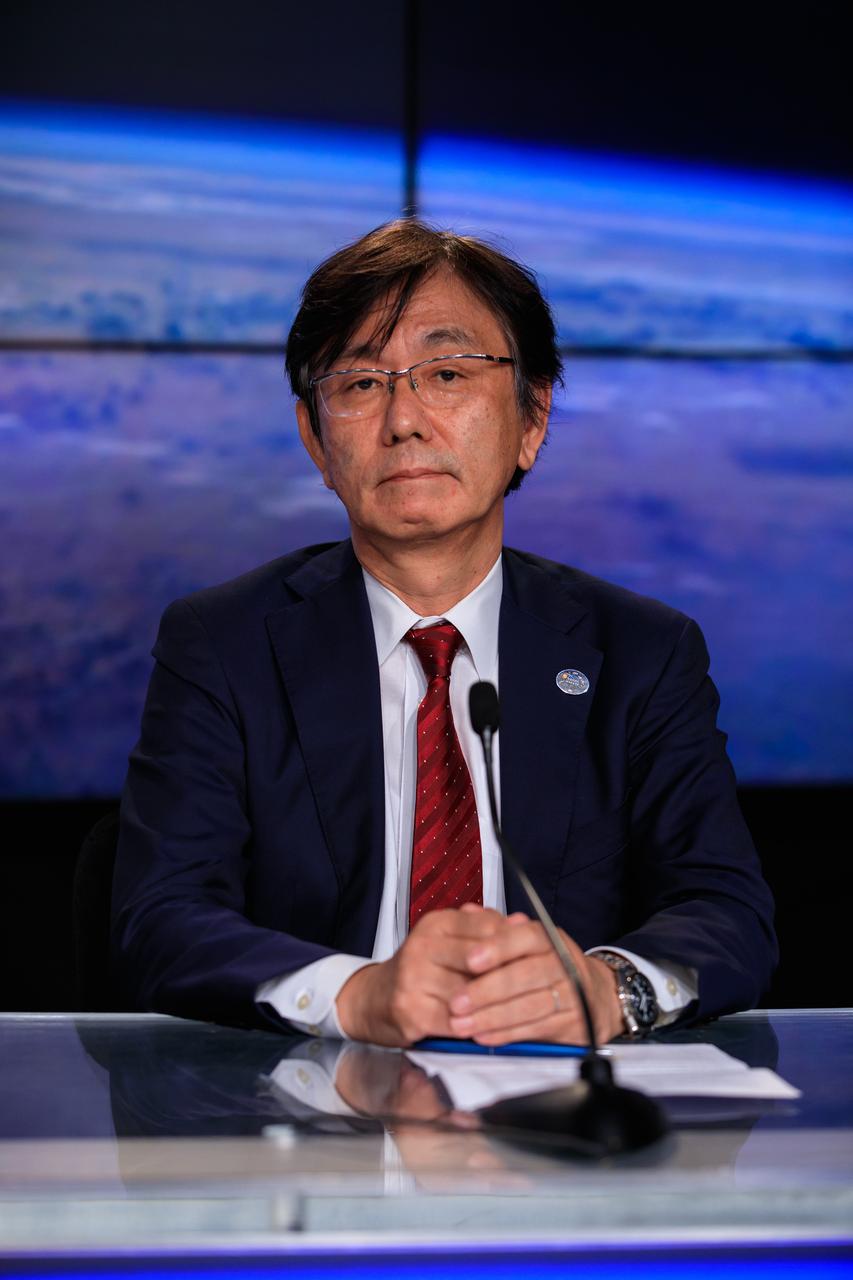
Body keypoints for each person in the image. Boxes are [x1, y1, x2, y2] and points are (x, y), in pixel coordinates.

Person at [112, 220, 777, 1047]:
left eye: (447, 373)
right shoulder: (222, 643)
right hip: (314, 1120)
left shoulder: (639, 653)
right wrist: (356, 995)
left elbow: (727, 911)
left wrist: (609, 990)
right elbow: (161, 917)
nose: (403, 420)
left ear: (532, 418)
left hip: (561, 1129)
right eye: (359, 384)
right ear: (314, 440)